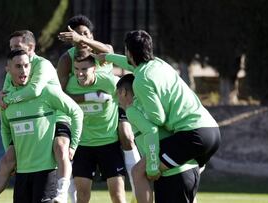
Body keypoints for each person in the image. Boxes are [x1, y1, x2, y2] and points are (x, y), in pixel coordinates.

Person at [94, 30, 221, 203]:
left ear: (129, 52)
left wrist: (137, 114)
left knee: (139, 172)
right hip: (211, 131)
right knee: (175, 173)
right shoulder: (160, 64)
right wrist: (108, 58)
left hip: (192, 134)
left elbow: (157, 119)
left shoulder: (141, 80)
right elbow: (131, 65)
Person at [0, 31, 77, 203]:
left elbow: (34, 91)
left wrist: (7, 99)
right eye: (11, 47)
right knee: (7, 159)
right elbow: (4, 99)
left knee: (60, 146)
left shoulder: (42, 65)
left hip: (57, 114)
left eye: (17, 47)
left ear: (31, 47)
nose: (13, 50)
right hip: (31, 115)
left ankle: (62, 193)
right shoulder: (13, 68)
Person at [57, 15, 140, 202]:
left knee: (127, 134)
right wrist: (88, 97)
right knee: (63, 151)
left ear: (91, 35)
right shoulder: (67, 60)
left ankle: (137, 186)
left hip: (111, 108)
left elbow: (110, 52)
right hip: (84, 123)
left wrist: (81, 39)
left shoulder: (102, 52)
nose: (81, 38)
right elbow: (59, 96)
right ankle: (62, 195)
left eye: (85, 34)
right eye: (76, 35)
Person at [117, 74, 202, 203]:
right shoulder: (153, 106)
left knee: (137, 171)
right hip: (189, 171)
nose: (117, 100)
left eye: (117, 94)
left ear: (123, 92)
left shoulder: (132, 110)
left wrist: (152, 165)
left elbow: (151, 131)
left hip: (174, 176)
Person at [66, 54, 127, 203]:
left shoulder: (110, 82)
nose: (80, 73)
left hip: (109, 144)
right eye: (76, 69)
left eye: (84, 69)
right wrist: (91, 96)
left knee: (118, 196)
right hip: (83, 145)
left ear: (94, 69)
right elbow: (61, 97)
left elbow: (129, 95)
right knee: (82, 197)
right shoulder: (69, 84)